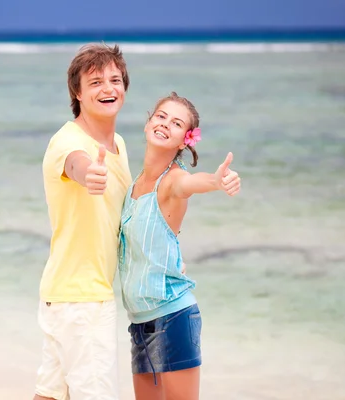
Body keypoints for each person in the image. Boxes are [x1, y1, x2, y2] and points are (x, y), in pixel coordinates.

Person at [117, 92, 241, 400]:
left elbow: (190, 184)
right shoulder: (133, 185)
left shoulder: (172, 181)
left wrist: (215, 181)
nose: (164, 124)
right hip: (140, 323)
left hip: (173, 318)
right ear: (148, 124)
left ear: (184, 141)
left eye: (176, 123)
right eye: (160, 116)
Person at [33, 43, 132, 400]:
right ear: (78, 92)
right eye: (95, 82)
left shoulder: (118, 144)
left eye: (115, 80)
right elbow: (76, 164)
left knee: (50, 395)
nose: (108, 88)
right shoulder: (68, 142)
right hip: (83, 300)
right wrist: (88, 174)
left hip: (64, 295)